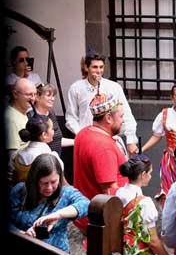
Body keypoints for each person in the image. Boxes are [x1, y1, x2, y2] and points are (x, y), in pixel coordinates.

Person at [72, 93, 129, 233]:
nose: (123, 120)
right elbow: (109, 192)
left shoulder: (83, 133)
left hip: (88, 217)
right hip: (102, 223)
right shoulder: (103, 147)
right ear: (108, 118)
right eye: (121, 116)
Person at [9, 154, 89, 253]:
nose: (49, 188)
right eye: (44, 183)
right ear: (34, 180)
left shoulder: (66, 193)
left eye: (54, 182)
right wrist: (22, 234)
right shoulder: (19, 191)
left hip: (57, 252)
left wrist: (58, 214)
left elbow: (86, 204)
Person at [65, 53, 138, 155]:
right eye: (95, 67)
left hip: (110, 140)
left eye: (101, 67)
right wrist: (81, 135)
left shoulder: (114, 87)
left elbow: (127, 114)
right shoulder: (76, 88)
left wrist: (131, 140)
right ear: (86, 68)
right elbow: (71, 117)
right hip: (87, 141)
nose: (99, 71)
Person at [10, 114, 63, 184]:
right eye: (52, 129)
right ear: (44, 135)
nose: (54, 131)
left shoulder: (17, 155)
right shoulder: (50, 158)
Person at [33, 83, 72, 155]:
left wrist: (77, 141)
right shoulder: (31, 116)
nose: (53, 99)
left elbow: (57, 140)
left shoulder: (51, 112)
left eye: (53, 96)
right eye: (48, 95)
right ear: (37, 97)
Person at [6, 78, 36, 154]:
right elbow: (11, 155)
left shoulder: (23, 113)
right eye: (28, 94)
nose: (32, 98)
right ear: (15, 94)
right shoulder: (11, 118)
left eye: (34, 94)